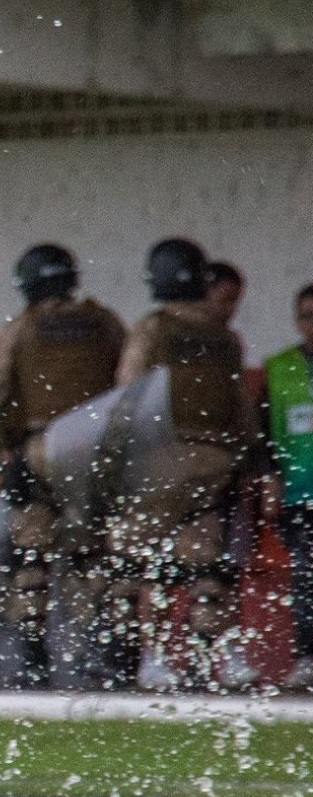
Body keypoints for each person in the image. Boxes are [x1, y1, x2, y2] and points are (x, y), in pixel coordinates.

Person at [112, 238, 263, 691]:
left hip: (161, 461)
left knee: (150, 566)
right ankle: (226, 656)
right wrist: (245, 465)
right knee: (207, 564)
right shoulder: (225, 338)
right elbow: (242, 412)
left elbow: (128, 395)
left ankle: (156, 659)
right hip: (214, 465)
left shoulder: (153, 329)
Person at [0, 244, 128, 684]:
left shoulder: (21, 329)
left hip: (43, 445)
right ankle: (102, 652)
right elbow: (131, 385)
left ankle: (33, 659)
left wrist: (10, 445)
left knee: (32, 553)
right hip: (98, 449)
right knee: (91, 554)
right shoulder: (105, 323)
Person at [260, 283, 313, 691]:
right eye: (305, 316)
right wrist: (270, 480)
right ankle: (307, 656)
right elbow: (263, 433)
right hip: (300, 491)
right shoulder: (280, 368)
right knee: (306, 574)